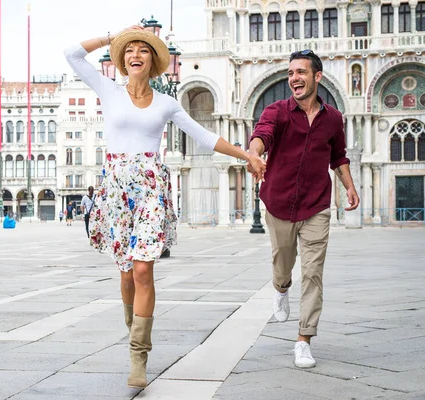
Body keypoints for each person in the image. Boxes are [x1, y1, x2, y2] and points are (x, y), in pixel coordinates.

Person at [64, 26, 266, 389]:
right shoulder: (108, 90)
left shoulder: (166, 102)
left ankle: (138, 354)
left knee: (143, 270)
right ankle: (134, 329)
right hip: (116, 191)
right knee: (126, 274)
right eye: (130, 51)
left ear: (154, 60)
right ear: (122, 60)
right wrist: (108, 39)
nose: (136, 54)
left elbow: (203, 135)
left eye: (143, 50)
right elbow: (72, 54)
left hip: (150, 189)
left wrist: (246, 154)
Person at [248, 49, 360, 369]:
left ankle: (303, 339)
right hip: (279, 202)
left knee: (313, 272)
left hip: (316, 205)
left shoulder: (334, 118)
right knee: (283, 265)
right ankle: (281, 289)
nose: (294, 78)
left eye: (301, 72)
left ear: (317, 77)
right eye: (291, 73)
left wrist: (349, 186)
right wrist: (254, 154)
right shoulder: (277, 110)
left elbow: (338, 156)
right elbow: (261, 136)